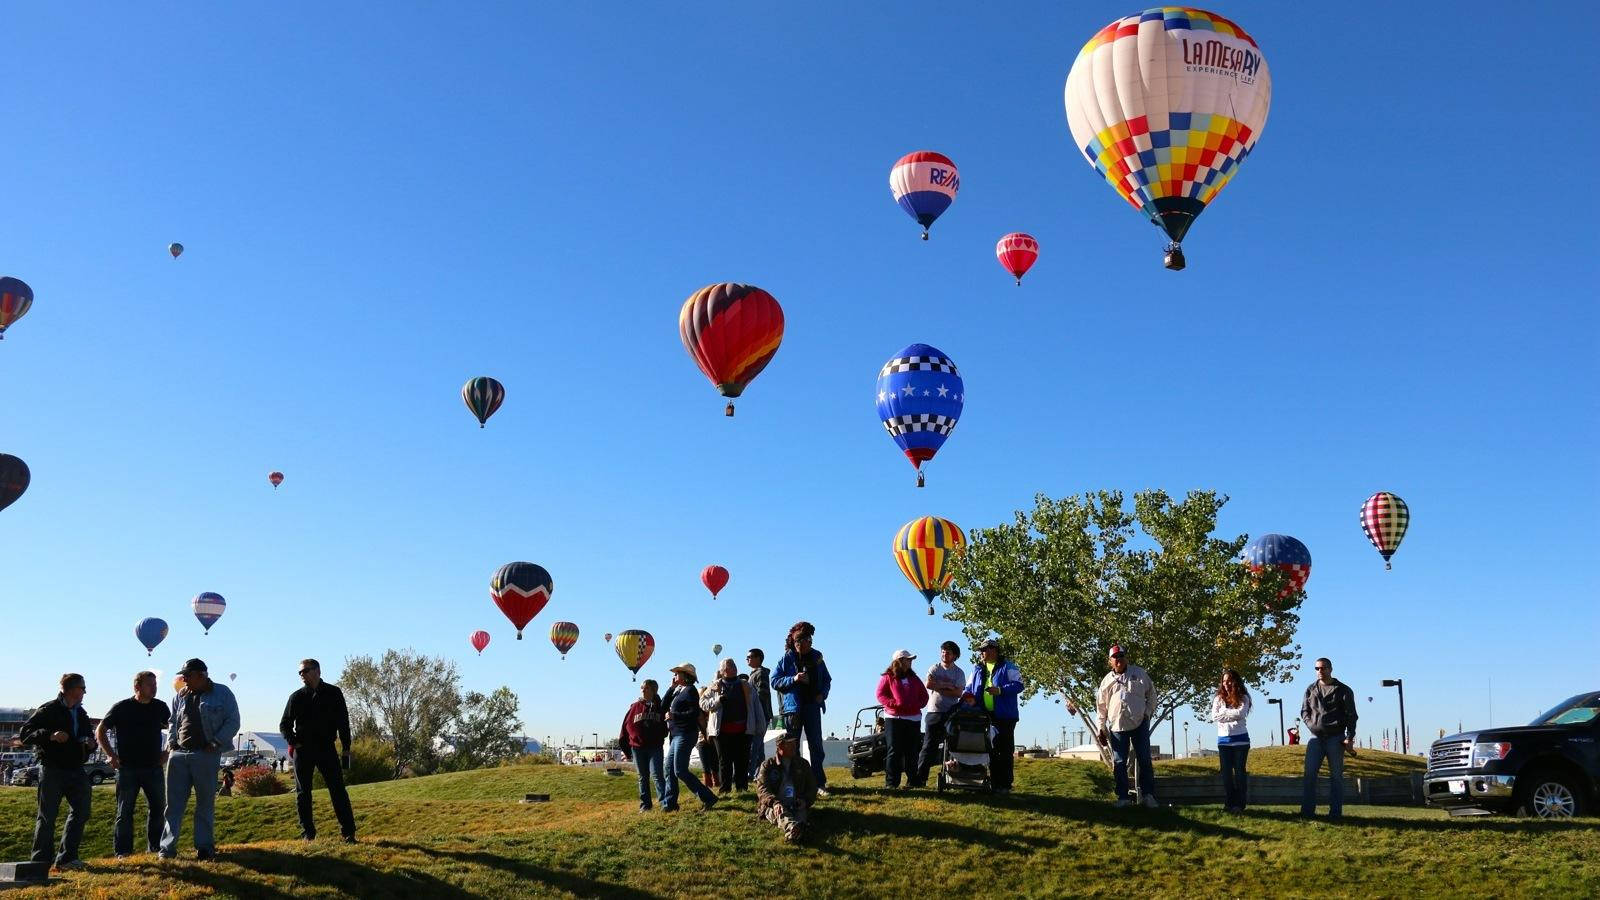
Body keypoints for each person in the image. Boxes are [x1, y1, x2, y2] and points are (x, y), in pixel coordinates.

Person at [162, 658, 240, 860]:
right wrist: (171, 743)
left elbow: (233, 721)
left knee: (204, 803)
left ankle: (204, 848)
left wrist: (216, 742)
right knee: (173, 805)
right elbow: (173, 722)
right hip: (179, 754)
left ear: (202, 675)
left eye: (188, 675)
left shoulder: (222, 693)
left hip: (205, 755)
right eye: (183, 675)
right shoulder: (180, 695)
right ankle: (166, 850)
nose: (184, 679)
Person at [20, 673, 96, 871]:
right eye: (82, 688)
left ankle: (67, 859)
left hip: (76, 769)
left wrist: (90, 743)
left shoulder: (81, 713)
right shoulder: (48, 710)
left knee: (82, 811)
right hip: (52, 769)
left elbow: (88, 735)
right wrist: (50, 736)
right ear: (69, 689)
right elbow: (26, 734)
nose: (85, 692)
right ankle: (40, 863)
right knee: (47, 817)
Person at [96, 670, 171, 858]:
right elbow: (101, 730)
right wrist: (111, 755)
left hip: (153, 767)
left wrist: (167, 751)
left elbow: (175, 729)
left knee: (158, 809)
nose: (154, 688)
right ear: (137, 687)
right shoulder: (122, 707)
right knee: (125, 811)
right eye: (149, 685)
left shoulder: (160, 707)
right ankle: (123, 852)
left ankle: (155, 848)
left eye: (155, 685)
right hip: (127, 768)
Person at [280, 658, 356, 843]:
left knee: (338, 790)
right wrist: (294, 742)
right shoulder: (297, 697)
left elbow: (343, 722)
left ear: (317, 671)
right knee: (303, 793)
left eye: (305, 671)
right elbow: (285, 724)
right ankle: (308, 834)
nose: (301, 675)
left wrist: (346, 748)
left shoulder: (333, 693)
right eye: (300, 672)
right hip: (303, 750)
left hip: (326, 748)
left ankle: (349, 833)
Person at [772, 621, 833, 797]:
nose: (807, 643)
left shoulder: (817, 656)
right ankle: (793, 783)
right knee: (792, 747)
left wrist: (823, 694)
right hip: (793, 709)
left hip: (812, 706)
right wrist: (794, 679)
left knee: (816, 746)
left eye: (809, 639)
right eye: (803, 640)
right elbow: (775, 681)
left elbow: (827, 679)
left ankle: (818, 783)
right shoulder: (787, 658)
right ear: (795, 642)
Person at [1095, 644, 1158, 809]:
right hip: (1117, 726)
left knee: (1144, 759)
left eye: (1121, 656)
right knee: (1119, 762)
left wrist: (1147, 714)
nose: (1119, 660)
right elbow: (1101, 707)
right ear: (1110, 661)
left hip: (1139, 723)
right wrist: (1101, 728)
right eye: (1115, 657)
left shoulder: (1139, 673)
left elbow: (1152, 694)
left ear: (1126, 658)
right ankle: (1122, 797)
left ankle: (1148, 795)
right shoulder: (1106, 681)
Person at [1299, 657, 1358, 820]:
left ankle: (1335, 813)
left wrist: (1349, 737)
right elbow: (1304, 711)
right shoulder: (1311, 689)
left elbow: (1351, 716)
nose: (1320, 671)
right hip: (1315, 739)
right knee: (1310, 775)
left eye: (1323, 668)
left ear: (1330, 669)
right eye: (1317, 668)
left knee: (1336, 778)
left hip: (1335, 738)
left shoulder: (1343, 690)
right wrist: (1312, 725)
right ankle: (1307, 812)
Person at [965, 638, 1022, 794]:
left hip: (1005, 716)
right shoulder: (976, 669)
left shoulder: (1008, 666)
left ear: (994, 650)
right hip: (983, 716)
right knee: (988, 750)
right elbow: (968, 687)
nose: (982, 653)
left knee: (1004, 750)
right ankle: (992, 783)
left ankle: (1005, 785)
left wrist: (1000, 690)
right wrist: (967, 696)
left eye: (985, 650)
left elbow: (1019, 685)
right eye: (981, 650)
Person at [661, 663, 718, 811]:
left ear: (686, 676)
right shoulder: (679, 691)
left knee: (679, 770)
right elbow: (662, 706)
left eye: (677, 673)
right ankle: (670, 803)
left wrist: (674, 715)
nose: (674, 676)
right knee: (669, 769)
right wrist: (671, 688)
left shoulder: (691, 691)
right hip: (676, 735)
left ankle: (708, 797)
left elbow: (694, 713)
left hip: (685, 734)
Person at [701, 658, 760, 794]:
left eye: (733, 665)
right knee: (724, 761)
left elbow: (756, 706)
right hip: (721, 731)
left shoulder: (746, 685)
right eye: (728, 667)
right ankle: (725, 788)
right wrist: (717, 700)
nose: (732, 668)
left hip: (743, 730)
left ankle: (742, 787)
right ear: (722, 671)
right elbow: (702, 703)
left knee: (742, 760)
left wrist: (759, 726)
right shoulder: (715, 686)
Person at [914, 640, 966, 787]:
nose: (944, 654)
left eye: (948, 652)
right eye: (942, 651)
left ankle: (953, 778)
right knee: (928, 746)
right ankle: (920, 778)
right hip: (934, 712)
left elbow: (958, 692)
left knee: (952, 746)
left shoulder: (959, 672)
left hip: (951, 713)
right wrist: (946, 686)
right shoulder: (934, 668)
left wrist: (940, 687)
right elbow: (928, 684)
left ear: (954, 655)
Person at [875, 650, 929, 789]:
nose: (910, 661)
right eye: (907, 659)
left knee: (911, 751)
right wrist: (894, 703)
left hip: (913, 719)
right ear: (899, 661)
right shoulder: (888, 677)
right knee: (894, 750)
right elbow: (880, 694)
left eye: (910, 659)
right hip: (894, 718)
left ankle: (913, 781)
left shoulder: (914, 678)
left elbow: (924, 696)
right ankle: (892, 783)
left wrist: (917, 705)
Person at [754, 733, 817, 843]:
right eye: (790, 744)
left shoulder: (803, 764)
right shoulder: (767, 765)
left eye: (794, 743)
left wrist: (805, 801)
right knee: (780, 812)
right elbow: (762, 789)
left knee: (800, 812)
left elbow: (812, 787)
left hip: (797, 803)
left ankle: (795, 832)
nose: (794, 746)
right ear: (780, 747)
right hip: (774, 805)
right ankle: (794, 829)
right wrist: (775, 802)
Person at [619, 678, 668, 811]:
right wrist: (627, 745)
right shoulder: (635, 706)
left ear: (653, 690)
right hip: (637, 747)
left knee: (657, 775)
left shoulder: (660, 706)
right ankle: (645, 805)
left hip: (655, 747)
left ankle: (665, 803)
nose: (642, 690)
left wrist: (660, 736)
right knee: (642, 777)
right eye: (641, 687)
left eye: (645, 688)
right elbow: (626, 725)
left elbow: (664, 726)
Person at [1211, 668, 1252, 813]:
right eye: (1224, 681)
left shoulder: (1244, 697)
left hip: (1241, 741)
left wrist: (1224, 713)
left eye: (1229, 681)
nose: (1226, 683)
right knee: (1226, 774)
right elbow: (1214, 717)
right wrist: (1230, 714)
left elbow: (1240, 714)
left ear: (1235, 682)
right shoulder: (1218, 699)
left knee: (1240, 773)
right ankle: (1229, 803)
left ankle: (1239, 805)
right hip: (1223, 741)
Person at [746, 649, 773, 775]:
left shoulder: (760, 673)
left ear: (758, 658)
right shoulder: (755, 673)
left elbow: (762, 694)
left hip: (760, 715)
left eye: (750, 657)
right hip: (759, 714)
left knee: (754, 745)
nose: (747, 659)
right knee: (759, 745)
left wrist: (757, 713)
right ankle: (761, 772)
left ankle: (751, 773)